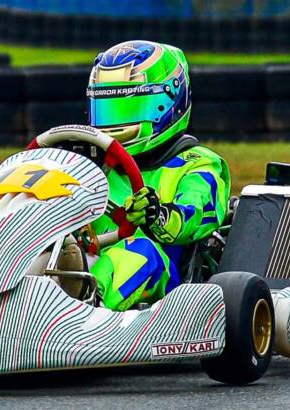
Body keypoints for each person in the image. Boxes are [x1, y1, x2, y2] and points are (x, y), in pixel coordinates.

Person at [83, 40, 231, 311]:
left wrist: (157, 214)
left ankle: (87, 308)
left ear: (166, 105)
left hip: (166, 282)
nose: (113, 122)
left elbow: (197, 213)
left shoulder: (198, 164)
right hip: (87, 258)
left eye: (127, 109)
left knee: (138, 251)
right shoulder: (93, 165)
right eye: (108, 109)